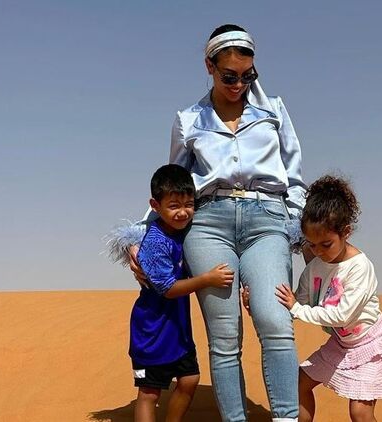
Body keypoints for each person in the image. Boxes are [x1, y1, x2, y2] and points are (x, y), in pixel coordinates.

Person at [125, 24, 306, 422]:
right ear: (209, 66)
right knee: (225, 337)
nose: (239, 84)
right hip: (208, 223)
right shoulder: (188, 120)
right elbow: (174, 180)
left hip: (267, 218)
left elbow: (293, 174)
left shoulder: (273, 110)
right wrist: (140, 235)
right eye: (229, 76)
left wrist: (301, 226)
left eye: (248, 75)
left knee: (275, 319)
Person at [247, 175, 382, 422]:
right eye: (312, 245)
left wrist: (296, 308)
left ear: (346, 232)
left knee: (360, 412)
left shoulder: (359, 267)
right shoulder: (315, 266)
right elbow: (297, 302)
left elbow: (341, 315)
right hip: (341, 344)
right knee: (300, 383)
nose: (317, 251)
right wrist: (259, 303)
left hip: (370, 345)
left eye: (326, 244)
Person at [126, 164, 234, 422]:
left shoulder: (183, 233)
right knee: (149, 392)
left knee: (189, 379)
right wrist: (207, 279)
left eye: (189, 204)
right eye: (174, 206)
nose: (183, 212)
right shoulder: (154, 242)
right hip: (151, 332)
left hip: (177, 330)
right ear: (155, 205)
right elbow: (168, 289)